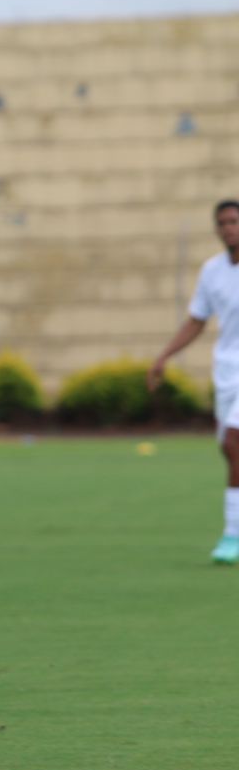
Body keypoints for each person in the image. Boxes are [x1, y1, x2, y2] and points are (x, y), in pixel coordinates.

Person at [149, 199, 239, 563]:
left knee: (235, 444)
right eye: (223, 222)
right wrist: (164, 356)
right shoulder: (212, 271)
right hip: (227, 372)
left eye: (235, 220)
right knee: (228, 449)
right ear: (216, 229)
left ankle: (232, 536)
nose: (229, 227)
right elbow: (197, 319)